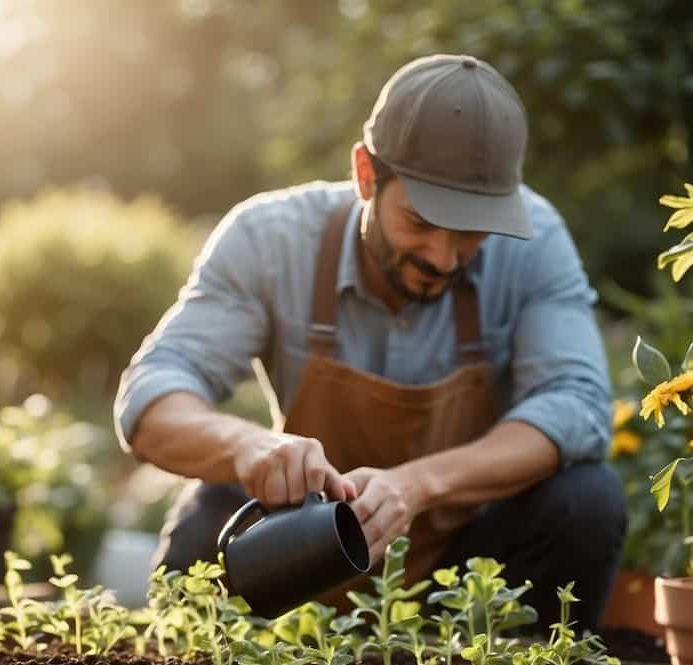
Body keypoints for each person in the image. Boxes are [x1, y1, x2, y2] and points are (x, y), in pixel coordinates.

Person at [114, 54, 625, 628]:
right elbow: (154, 391)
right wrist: (247, 447)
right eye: (420, 220)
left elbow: (577, 405)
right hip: (297, 559)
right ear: (365, 174)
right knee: (210, 516)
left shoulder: (535, 239)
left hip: (464, 575)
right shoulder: (269, 238)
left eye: (470, 233)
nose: (442, 257)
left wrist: (418, 484)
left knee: (587, 500)